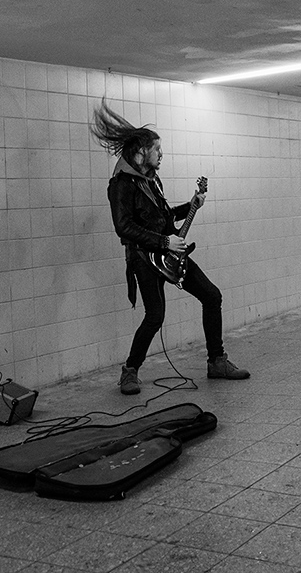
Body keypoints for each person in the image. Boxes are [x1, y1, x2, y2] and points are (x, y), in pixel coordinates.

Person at [90, 99, 250, 394]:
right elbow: (123, 227)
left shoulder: (151, 180)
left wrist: (191, 205)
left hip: (170, 253)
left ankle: (217, 361)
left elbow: (161, 216)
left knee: (212, 296)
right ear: (141, 153)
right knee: (155, 316)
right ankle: (130, 371)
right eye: (157, 150)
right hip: (143, 257)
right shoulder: (121, 185)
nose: (161, 155)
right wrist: (164, 241)